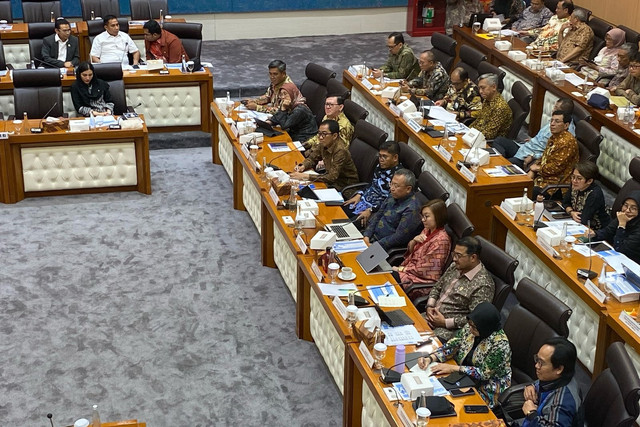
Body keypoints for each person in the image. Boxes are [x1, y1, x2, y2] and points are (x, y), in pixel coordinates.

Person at [418, 302, 511, 409]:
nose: (470, 329)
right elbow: (453, 345)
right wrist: (431, 358)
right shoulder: (472, 325)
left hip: (487, 386)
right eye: (470, 325)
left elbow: (484, 374)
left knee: (457, 407)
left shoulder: (500, 345)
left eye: (474, 328)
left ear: (485, 327)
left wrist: (454, 368)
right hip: (463, 376)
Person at [424, 236, 495, 341]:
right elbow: (437, 287)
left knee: (419, 351)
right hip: (429, 315)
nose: (454, 259)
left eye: (459, 255)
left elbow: (475, 320)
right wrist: (430, 306)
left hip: (448, 331)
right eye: (454, 254)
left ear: (473, 258)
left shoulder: (483, 285)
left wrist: (445, 322)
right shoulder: (455, 266)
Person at [492, 98, 575, 169]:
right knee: (499, 141)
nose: (553, 109)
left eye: (556, 108)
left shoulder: (565, 132)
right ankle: (499, 161)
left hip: (529, 158)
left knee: (505, 166)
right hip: (525, 147)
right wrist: (533, 140)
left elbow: (551, 154)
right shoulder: (555, 119)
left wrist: (533, 156)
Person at [393, 199, 451, 298]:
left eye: (427, 216)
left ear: (438, 216)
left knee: (389, 277)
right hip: (410, 272)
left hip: (421, 282)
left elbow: (425, 270)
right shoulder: (427, 230)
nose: (423, 220)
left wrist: (401, 269)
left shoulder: (442, 241)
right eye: (422, 216)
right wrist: (414, 241)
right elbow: (413, 252)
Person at [521, 338, 582, 427]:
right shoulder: (556, 378)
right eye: (537, 359)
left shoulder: (563, 401)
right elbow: (540, 384)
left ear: (559, 369)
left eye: (541, 363)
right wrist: (532, 386)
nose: (536, 365)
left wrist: (531, 414)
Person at [342, 141, 403, 228]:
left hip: (374, 211)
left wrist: (371, 210)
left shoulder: (398, 177)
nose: (381, 159)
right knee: (336, 213)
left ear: (395, 157)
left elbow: (390, 201)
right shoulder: (379, 167)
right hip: (362, 201)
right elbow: (371, 183)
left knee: (346, 227)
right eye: (380, 156)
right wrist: (359, 194)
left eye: (385, 157)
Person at [362, 169, 423, 251]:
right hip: (370, 239)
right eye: (391, 184)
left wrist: (374, 246)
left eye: (396, 186)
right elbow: (378, 215)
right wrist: (367, 235)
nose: (392, 188)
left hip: (383, 248)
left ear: (408, 189)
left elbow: (399, 237)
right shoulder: (393, 196)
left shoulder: (412, 208)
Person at [290, 120, 358, 191]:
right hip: (330, 180)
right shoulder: (324, 143)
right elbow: (312, 158)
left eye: (324, 134)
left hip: (344, 186)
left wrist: (306, 176)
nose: (320, 137)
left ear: (334, 136)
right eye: (319, 134)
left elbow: (332, 177)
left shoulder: (340, 151)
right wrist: (303, 166)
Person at [529, 111, 579, 199]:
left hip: (554, 186)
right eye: (551, 121)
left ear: (566, 125)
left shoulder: (566, 142)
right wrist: (533, 169)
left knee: (525, 191)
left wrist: (537, 168)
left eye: (557, 121)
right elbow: (545, 157)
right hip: (542, 178)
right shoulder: (554, 137)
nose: (552, 124)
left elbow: (555, 168)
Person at [589, 191, 640, 264]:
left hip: (632, 264)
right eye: (625, 205)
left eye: (633, 208)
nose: (627, 210)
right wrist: (595, 234)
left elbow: (620, 249)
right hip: (615, 258)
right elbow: (608, 231)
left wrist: (622, 225)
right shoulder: (624, 216)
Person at [562, 162, 610, 230]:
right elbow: (565, 202)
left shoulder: (594, 194)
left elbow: (584, 219)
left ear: (589, 181)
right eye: (573, 176)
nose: (574, 181)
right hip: (575, 221)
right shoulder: (576, 185)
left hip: (595, 229)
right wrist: (571, 212)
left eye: (579, 178)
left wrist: (572, 214)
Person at [470, 73, 512, 140]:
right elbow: (478, 120)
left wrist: (471, 135)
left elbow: (489, 134)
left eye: (483, 88)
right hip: (477, 135)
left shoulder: (500, 107)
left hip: (488, 142)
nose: (480, 91)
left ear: (494, 87)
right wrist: (467, 131)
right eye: (479, 88)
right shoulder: (487, 99)